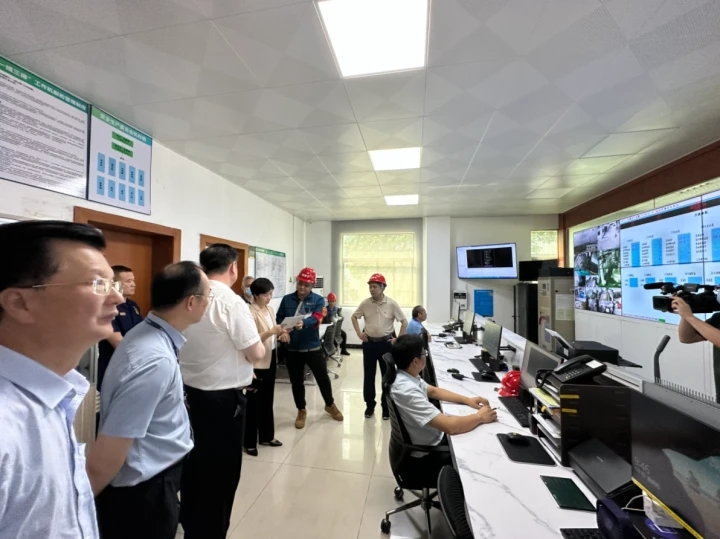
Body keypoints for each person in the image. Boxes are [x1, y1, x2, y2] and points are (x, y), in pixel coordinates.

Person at [0, 220, 124, 538]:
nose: (117, 298)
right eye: (98, 283)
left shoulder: (53, 394)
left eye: (114, 284)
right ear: (19, 303)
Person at [88, 262, 211, 539]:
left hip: (154, 480)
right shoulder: (153, 359)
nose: (209, 303)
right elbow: (108, 454)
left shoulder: (148, 333)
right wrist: (76, 511)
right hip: (145, 493)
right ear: (192, 302)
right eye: (208, 296)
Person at [178, 244, 265, 539]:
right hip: (223, 402)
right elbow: (255, 352)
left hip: (187, 396)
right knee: (221, 476)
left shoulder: (189, 297)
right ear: (233, 268)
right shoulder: (231, 302)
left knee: (193, 467)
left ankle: (191, 525)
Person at [389, 335, 497, 478]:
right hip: (428, 455)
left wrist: (467, 400)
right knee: (484, 450)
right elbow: (450, 426)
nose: (426, 356)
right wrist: (480, 417)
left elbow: (433, 391)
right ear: (415, 361)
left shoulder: (407, 375)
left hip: (433, 439)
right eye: (424, 353)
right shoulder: (406, 390)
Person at [277, 267, 344, 429]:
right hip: (293, 349)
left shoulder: (318, 300)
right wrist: (282, 331)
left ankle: (330, 404)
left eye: (306, 285)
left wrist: (304, 323)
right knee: (296, 381)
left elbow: (317, 317)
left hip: (313, 348)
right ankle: (301, 410)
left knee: (323, 378)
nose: (302, 287)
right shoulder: (287, 300)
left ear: (312, 285)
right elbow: (279, 319)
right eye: (300, 283)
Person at [352, 273, 408, 420]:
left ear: (383, 287)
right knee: (369, 376)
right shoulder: (365, 304)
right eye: (370, 287)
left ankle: (386, 407)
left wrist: (398, 339)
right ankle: (370, 405)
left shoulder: (392, 304)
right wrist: (359, 333)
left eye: (375, 286)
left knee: (387, 376)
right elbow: (354, 317)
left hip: (386, 344)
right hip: (369, 344)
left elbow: (404, 321)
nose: (372, 289)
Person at [246, 277, 285, 456]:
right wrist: (271, 332)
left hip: (271, 358)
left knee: (268, 400)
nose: (269, 298)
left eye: (270, 294)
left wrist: (282, 332)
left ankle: (267, 436)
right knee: (253, 403)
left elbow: (275, 330)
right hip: (258, 362)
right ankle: (249, 441)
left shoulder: (269, 309)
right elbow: (252, 339)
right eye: (265, 295)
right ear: (255, 295)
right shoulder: (250, 312)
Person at [97, 265, 143, 392]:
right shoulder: (107, 307)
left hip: (134, 366)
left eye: (133, 280)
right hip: (113, 366)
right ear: (115, 284)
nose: (133, 284)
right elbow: (118, 342)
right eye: (128, 281)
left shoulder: (133, 306)